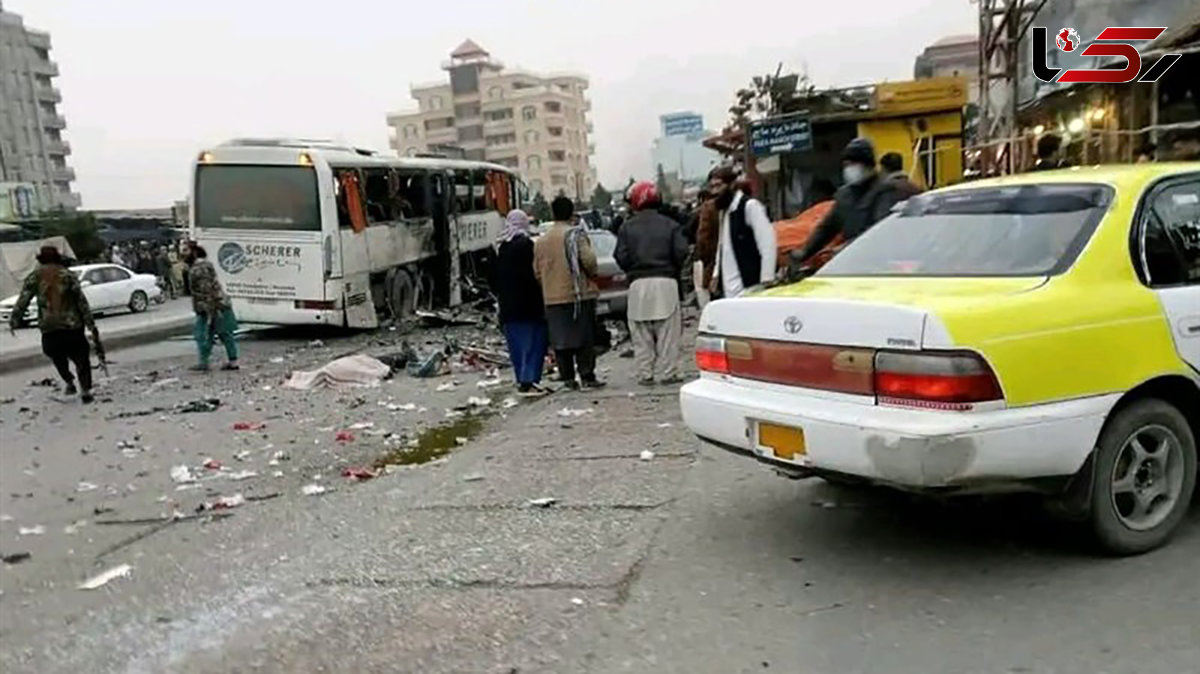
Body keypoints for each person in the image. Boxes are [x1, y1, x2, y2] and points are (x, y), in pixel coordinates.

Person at [789, 138, 906, 272]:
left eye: (854, 163)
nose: (849, 168)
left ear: (868, 164)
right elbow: (827, 227)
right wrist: (804, 252)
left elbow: (880, 229)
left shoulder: (885, 190)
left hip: (878, 264)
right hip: (850, 263)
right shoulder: (844, 195)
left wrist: (848, 247)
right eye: (846, 164)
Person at [615, 182, 689, 386]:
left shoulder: (626, 227)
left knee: (641, 334)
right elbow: (681, 252)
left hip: (638, 284)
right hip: (666, 282)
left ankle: (645, 373)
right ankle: (668, 371)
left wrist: (633, 269)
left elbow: (620, 256)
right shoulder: (671, 225)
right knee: (668, 333)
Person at [533, 195, 605, 390]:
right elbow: (589, 262)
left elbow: (537, 272)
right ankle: (587, 376)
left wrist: (548, 286)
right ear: (571, 212)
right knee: (584, 338)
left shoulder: (541, 241)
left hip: (552, 298)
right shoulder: (575, 235)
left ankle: (567, 378)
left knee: (560, 340)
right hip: (578, 295)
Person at [10, 246, 98, 403]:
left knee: (56, 355)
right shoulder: (68, 275)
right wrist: (90, 322)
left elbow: (24, 299)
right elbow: (81, 300)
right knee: (81, 357)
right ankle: (85, 389)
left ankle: (69, 381)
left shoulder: (35, 276)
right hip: (72, 325)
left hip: (49, 326)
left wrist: (15, 319)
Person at [495, 209, 549, 396]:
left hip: (509, 308)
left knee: (517, 347)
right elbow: (535, 275)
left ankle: (522, 380)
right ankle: (529, 380)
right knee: (534, 343)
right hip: (530, 305)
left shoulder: (502, 248)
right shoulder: (527, 246)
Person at [706, 166, 776, 299]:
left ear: (732, 185)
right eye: (712, 187)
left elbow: (767, 244)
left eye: (718, 186)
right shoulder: (724, 211)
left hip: (751, 286)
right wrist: (716, 274)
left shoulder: (750, 206)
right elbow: (722, 247)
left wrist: (767, 278)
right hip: (729, 286)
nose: (715, 191)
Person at [185, 243, 240, 372]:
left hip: (212, 307)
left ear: (194, 252)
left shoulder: (198, 269)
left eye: (185, 250)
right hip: (218, 305)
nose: (182, 254)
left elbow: (207, 291)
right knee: (224, 334)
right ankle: (232, 362)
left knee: (203, 335)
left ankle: (204, 363)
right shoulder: (204, 265)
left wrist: (210, 311)